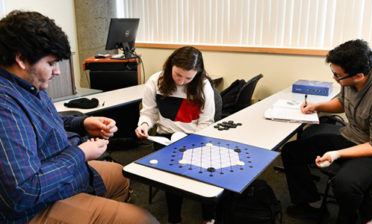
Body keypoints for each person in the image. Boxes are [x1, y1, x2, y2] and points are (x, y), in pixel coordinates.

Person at [0, 10, 158, 224]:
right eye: (51, 63)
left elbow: (44, 119)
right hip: (31, 207)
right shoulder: (5, 106)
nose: (57, 72)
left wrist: (82, 123)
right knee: (144, 221)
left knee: (122, 175)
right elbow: (24, 191)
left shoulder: (29, 85)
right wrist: (80, 154)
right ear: (21, 59)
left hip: (56, 167)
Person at [281, 39, 372, 224]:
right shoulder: (351, 81)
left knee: (345, 184)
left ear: (358, 75)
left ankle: (347, 218)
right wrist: (317, 106)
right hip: (350, 135)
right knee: (291, 151)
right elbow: (342, 103)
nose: (334, 78)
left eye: (337, 75)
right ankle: (309, 205)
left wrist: (336, 154)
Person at [135, 46, 216, 224]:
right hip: (166, 137)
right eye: (178, 75)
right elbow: (149, 113)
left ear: (197, 73)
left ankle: (208, 218)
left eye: (188, 78)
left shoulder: (203, 86)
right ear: (171, 65)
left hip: (196, 138)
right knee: (172, 181)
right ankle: (174, 219)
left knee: (206, 178)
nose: (181, 82)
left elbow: (206, 123)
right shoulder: (156, 81)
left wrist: (194, 143)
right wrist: (144, 125)